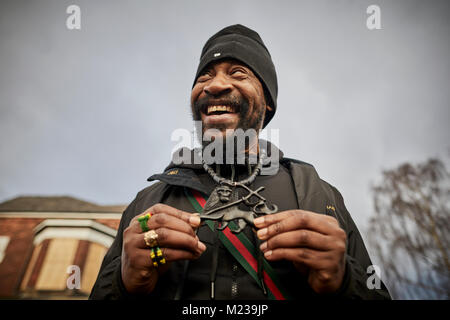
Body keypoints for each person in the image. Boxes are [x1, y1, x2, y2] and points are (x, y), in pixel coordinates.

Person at [90, 24, 391, 300]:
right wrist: (122, 283)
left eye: (237, 73)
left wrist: (345, 281)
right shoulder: (148, 202)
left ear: (268, 100)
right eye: (204, 76)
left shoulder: (318, 194)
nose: (214, 85)